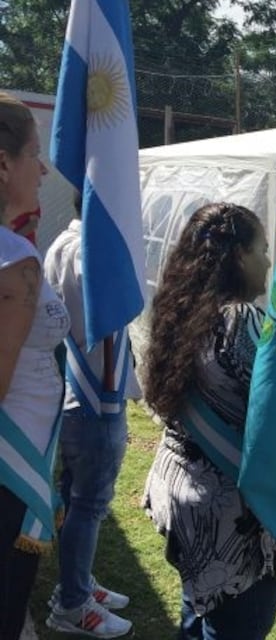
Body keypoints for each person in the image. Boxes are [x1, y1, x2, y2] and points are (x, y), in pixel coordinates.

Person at [142, 203, 276, 640]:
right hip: (231, 519)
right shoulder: (241, 320)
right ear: (239, 256)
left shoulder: (184, 313)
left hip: (187, 499)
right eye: (262, 249)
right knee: (233, 628)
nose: (269, 261)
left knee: (199, 616)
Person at [44, 194, 138, 637]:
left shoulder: (63, 244)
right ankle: (72, 604)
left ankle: (75, 583)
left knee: (77, 497)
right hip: (94, 395)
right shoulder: (89, 252)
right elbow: (105, 312)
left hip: (79, 391)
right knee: (89, 503)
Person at [0, 92, 70, 640]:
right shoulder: (15, 262)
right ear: (3, 165)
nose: (42, 169)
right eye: (33, 154)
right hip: (9, 468)